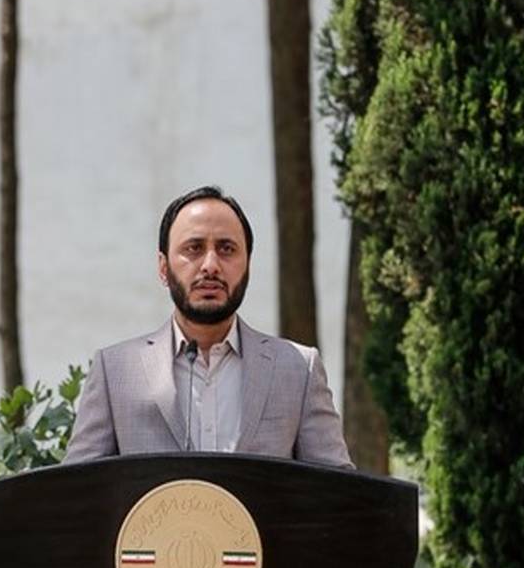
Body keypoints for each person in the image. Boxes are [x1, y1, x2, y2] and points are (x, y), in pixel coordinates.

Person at [63, 186, 353, 468]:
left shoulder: (298, 369)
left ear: (248, 264)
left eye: (227, 249)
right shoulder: (114, 371)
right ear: (163, 268)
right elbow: (77, 489)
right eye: (194, 248)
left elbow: (337, 490)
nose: (211, 265)